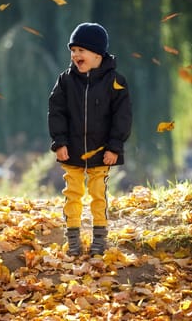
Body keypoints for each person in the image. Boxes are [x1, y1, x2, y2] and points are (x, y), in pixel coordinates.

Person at [48, 22, 132, 256]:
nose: (75, 55)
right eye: (72, 50)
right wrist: (59, 142)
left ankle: (99, 239)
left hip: (101, 151)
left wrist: (114, 147)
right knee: (72, 194)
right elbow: (56, 112)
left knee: (98, 194)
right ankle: (73, 238)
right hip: (72, 150)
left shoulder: (116, 82)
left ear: (97, 54)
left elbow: (122, 117)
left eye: (81, 50)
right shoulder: (65, 81)